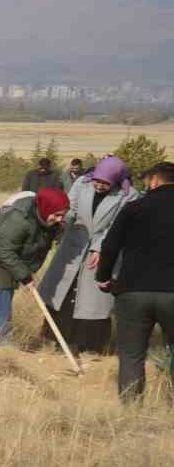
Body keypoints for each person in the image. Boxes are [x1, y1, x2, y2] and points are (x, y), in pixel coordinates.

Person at [38, 155, 134, 356]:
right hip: (74, 244)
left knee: (93, 302)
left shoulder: (128, 195)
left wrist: (101, 248)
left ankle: (89, 347)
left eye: (105, 183)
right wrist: (64, 220)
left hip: (103, 251)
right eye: (97, 181)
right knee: (62, 293)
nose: (99, 186)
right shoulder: (82, 183)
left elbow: (118, 225)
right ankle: (55, 341)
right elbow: (70, 207)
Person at [96, 162, 174, 401]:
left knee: (131, 355)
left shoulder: (134, 208)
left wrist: (104, 277)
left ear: (154, 181)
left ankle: (130, 410)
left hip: (132, 290)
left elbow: (109, 247)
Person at [0, 187, 67, 350]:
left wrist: (27, 272)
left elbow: (36, 247)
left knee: (0, 306)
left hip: (7, 264)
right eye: (56, 214)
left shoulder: (46, 220)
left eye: (62, 215)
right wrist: (25, 276)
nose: (59, 219)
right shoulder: (19, 219)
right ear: (45, 207)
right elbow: (5, 250)